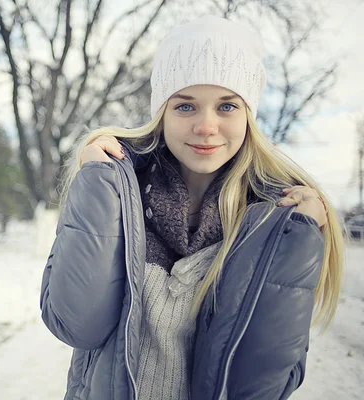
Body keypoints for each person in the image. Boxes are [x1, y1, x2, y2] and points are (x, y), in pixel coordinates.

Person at [39, 15, 345, 400]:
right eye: (185, 106)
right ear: (161, 113)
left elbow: (259, 386)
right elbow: (77, 324)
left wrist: (294, 237)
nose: (206, 125)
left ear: (249, 116)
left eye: (227, 106)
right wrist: (97, 185)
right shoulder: (117, 192)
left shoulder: (273, 221)